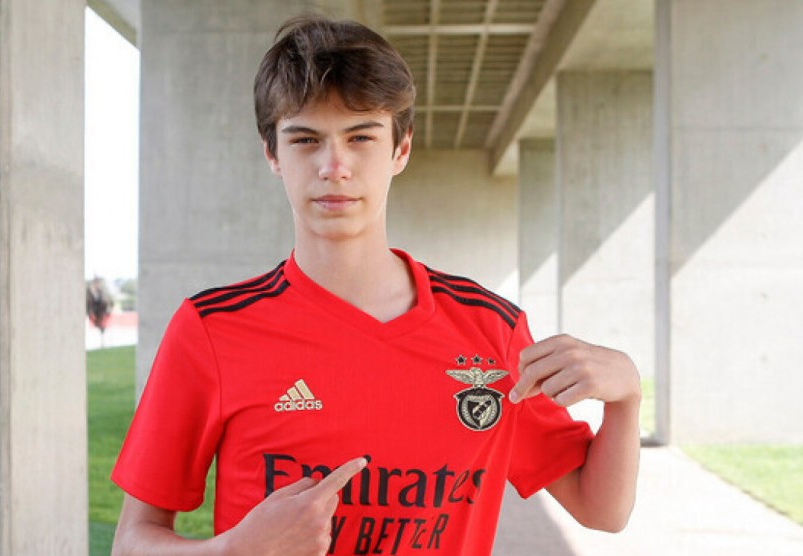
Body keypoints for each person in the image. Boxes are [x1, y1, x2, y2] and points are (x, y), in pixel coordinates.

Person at [110, 14, 640, 556]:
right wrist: (233, 551)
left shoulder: (490, 330)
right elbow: (131, 543)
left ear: (400, 149)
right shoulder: (212, 330)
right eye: (305, 139)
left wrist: (625, 398)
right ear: (273, 154)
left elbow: (601, 509)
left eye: (360, 137)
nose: (334, 166)